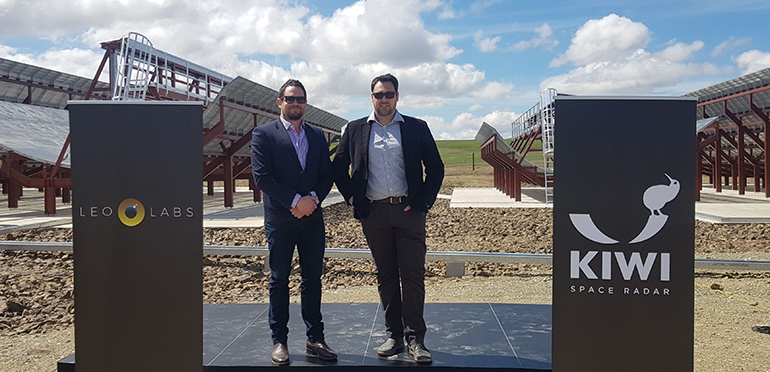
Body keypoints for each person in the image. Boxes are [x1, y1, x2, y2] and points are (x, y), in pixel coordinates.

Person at [332, 73, 444, 363]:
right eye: (379, 95)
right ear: (371, 97)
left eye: (389, 94)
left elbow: (436, 168)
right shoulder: (355, 129)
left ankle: (416, 339)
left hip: (409, 213)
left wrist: (421, 203)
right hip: (375, 213)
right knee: (386, 276)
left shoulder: (417, 128)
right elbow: (338, 167)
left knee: (413, 276)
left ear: (397, 97)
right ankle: (393, 334)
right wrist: (352, 197)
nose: (384, 99)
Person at [251, 79, 336, 365]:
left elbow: (327, 175)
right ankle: (280, 341)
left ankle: (315, 338)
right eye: (290, 99)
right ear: (280, 102)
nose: (295, 103)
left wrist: (311, 199)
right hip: (281, 220)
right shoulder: (264, 135)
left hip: (311, 219)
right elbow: (262, 177)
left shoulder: (316, 135)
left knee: (313, 279)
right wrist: (295, 201)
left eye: (300, 99)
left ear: (306, 103)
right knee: (279, 280)